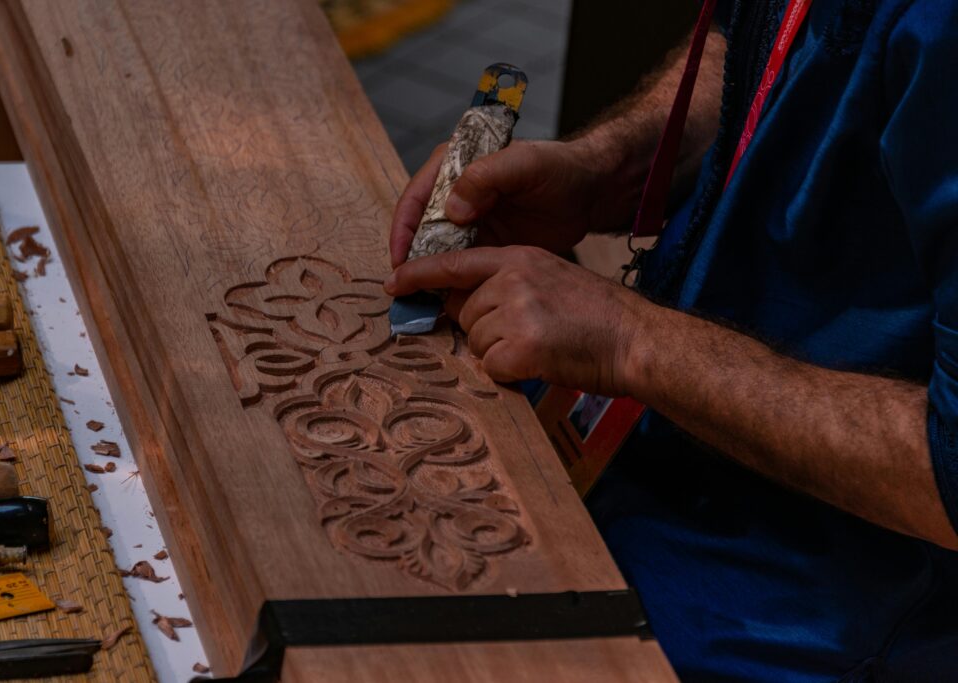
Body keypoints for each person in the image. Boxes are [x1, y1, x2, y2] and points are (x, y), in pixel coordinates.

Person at [383, 1, 958, 681]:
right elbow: (746, 36)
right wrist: (606, 167)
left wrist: (631, 339)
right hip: (650, 435)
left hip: (804, 597)